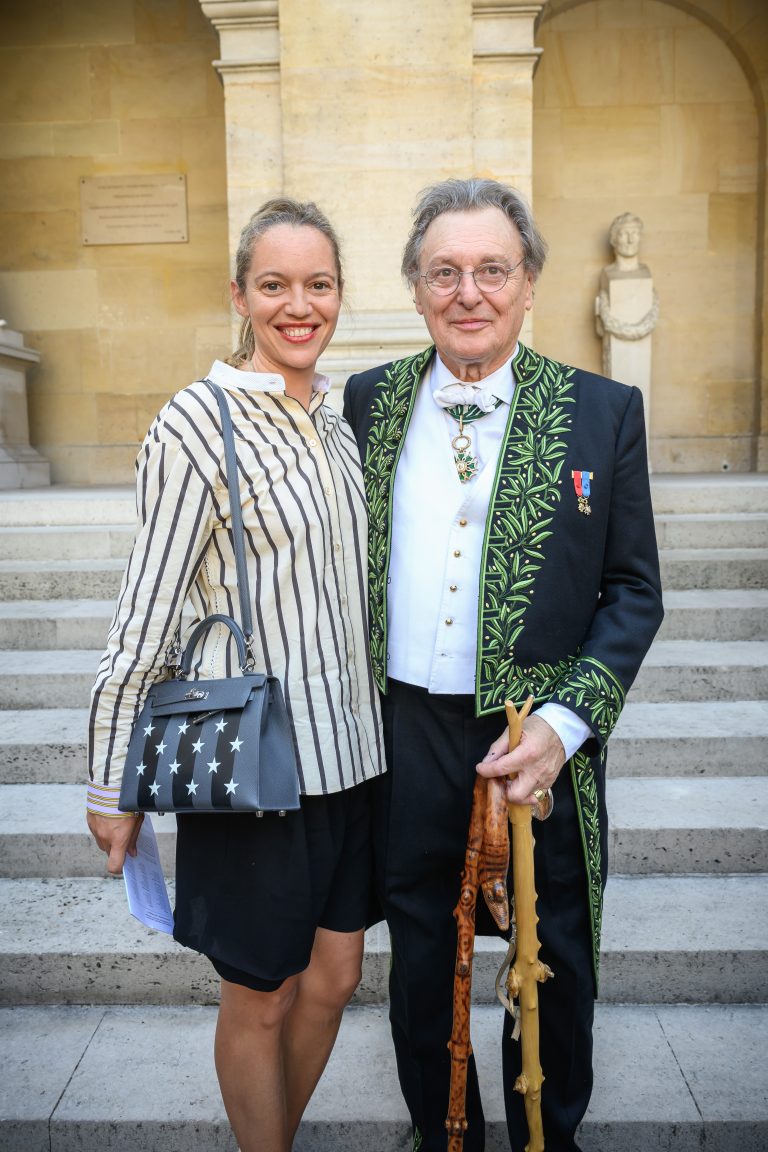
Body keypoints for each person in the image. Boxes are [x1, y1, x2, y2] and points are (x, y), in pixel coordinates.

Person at [343, 178, 664, 1152]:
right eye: (446, 271)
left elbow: (634, 592)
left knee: (552, 958)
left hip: (537, 739)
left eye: (493, 269)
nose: (468, 291)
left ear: (529, 286)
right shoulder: (368, 402)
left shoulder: (603, 411)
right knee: (417, 966)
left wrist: (565, 730)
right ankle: (449, 1138)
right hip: (404, 731)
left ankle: (546, 1137)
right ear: (415, 287)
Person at [86, 198, 385, 1152]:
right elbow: (148, 608)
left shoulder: (337, 423)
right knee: (261, 993)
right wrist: (111, 777)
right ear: (241, 294)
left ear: (339, 293)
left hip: (354, 755)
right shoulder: (196, 421)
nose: (299, 306)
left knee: (336, 977)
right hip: (255, 764)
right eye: (275, 285)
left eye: (319, 285)